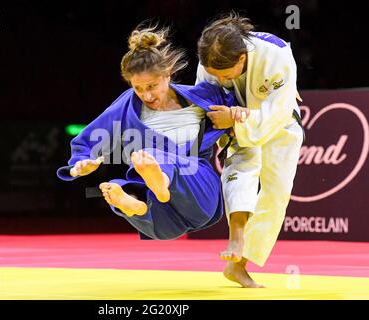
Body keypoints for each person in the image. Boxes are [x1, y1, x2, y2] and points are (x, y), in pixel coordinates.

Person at [57, 25, 245, 241]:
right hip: (165, 222)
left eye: (152, 86)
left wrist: (234, 115)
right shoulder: (127, 106)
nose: (146, 95)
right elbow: (86, 142)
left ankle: (159, 183)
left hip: (199, 192)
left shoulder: (204, 95)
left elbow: (240, 108)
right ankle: (137, 204)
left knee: (147, 154)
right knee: (121, 187)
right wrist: (80, 164)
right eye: (138, 88)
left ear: (167, 75)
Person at [196, 12, 304, 288]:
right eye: (213, 74)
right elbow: (206, 99)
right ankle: (237, 237)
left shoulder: (277, 55)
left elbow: (276, 112)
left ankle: (239, 264)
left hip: (279, 122)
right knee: (243, 165)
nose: (219, 79)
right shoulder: (209, 60)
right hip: (232, 126)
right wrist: (224, 120)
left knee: (278, 192)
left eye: (224, 74)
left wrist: (237, 117)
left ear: (241, 58)